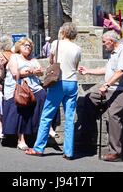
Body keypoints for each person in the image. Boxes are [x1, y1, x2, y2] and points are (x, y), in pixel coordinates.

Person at [25, 22, 81, 159]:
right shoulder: (78, 48)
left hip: (59, 82)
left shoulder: (56, 43)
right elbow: (76, 65)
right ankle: (68, 152)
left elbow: (51, 61)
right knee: (69, 118)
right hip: (72, 82)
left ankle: (39, 148)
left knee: (47, 115)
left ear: (63, 32)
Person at [79, 30, 123, 162]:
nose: (104, 45)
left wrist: (106, 85)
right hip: (111, 89)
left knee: (113, 114)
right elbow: (107, 70)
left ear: (112, 41)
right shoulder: (113, 54)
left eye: (105, 42)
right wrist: (88, 71)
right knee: (88, 99)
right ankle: (89, 137)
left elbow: (121, 71)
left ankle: (116, 152)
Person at [1, 37, 46, 151]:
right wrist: (30, 72)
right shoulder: (14, 57)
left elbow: (40, 72)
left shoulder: (33, 59)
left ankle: (44, 127)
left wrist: (35, 72)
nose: (28, 47)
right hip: (17, 88)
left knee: (43, 95)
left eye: (29, 45)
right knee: (23, 104)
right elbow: (15, 73)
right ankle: (21, 139)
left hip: (32, 88)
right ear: (19, 47)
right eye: (25, 45)